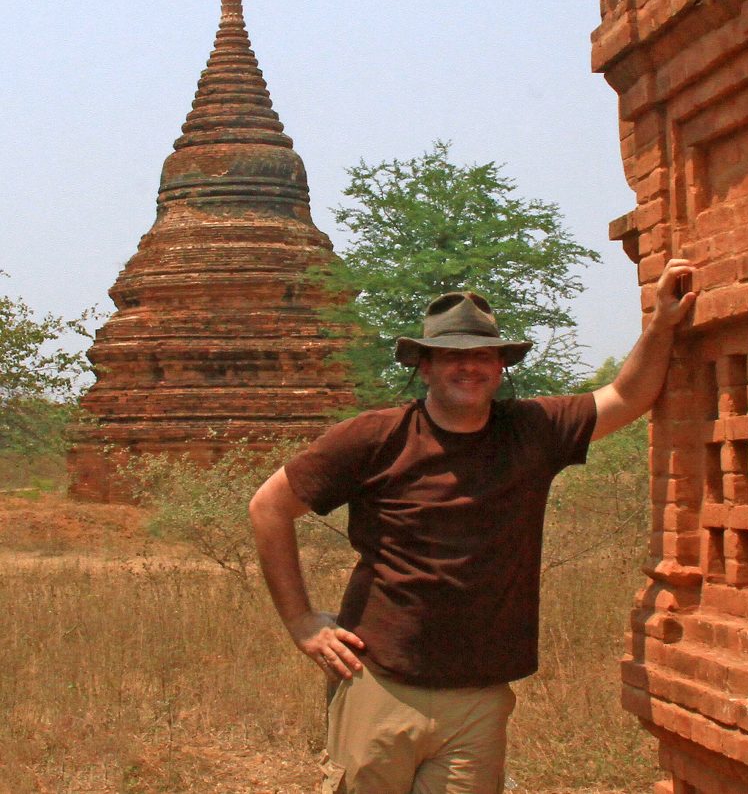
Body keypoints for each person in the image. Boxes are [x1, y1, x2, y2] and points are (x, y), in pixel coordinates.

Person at [248, 258, 697, 794]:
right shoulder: (375, 438)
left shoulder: (531, 430)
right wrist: (301, 621)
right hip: (381, 680)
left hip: (480, 695)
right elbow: (268, 507)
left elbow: (628, 397)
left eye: (483, 356)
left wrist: (662, 324)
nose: (469, 368)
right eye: (451, 357)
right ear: (426, 367)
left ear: (500, 366)